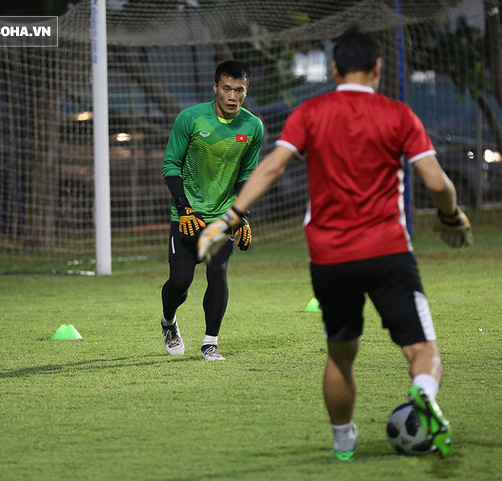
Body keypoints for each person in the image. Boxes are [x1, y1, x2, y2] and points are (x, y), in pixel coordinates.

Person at [198, 27, 472, 458]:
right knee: (422, 351)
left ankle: (344, 440)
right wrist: (451, 218)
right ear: (378, 69)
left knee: (341, 356)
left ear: (333, 69)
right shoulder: (398, 115)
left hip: (331, 258)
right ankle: (422, 391)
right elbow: (438, 183)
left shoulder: (310, 113)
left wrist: (228, 218)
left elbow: (270, 168)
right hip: (388, 252)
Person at [160, 60, 263, 361]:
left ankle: (210, 343)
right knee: (180, 283)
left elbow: (247, 177)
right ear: (215, 88)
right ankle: (168, 321)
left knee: (217, 271)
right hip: (186, 215)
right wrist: (185, 208)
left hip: (222, 216)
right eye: (227, 88)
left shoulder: (252, 126)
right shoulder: (190, 119)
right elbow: (170, 165)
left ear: (246, 91)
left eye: (239, 90)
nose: (233, 96)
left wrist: (241, 216)